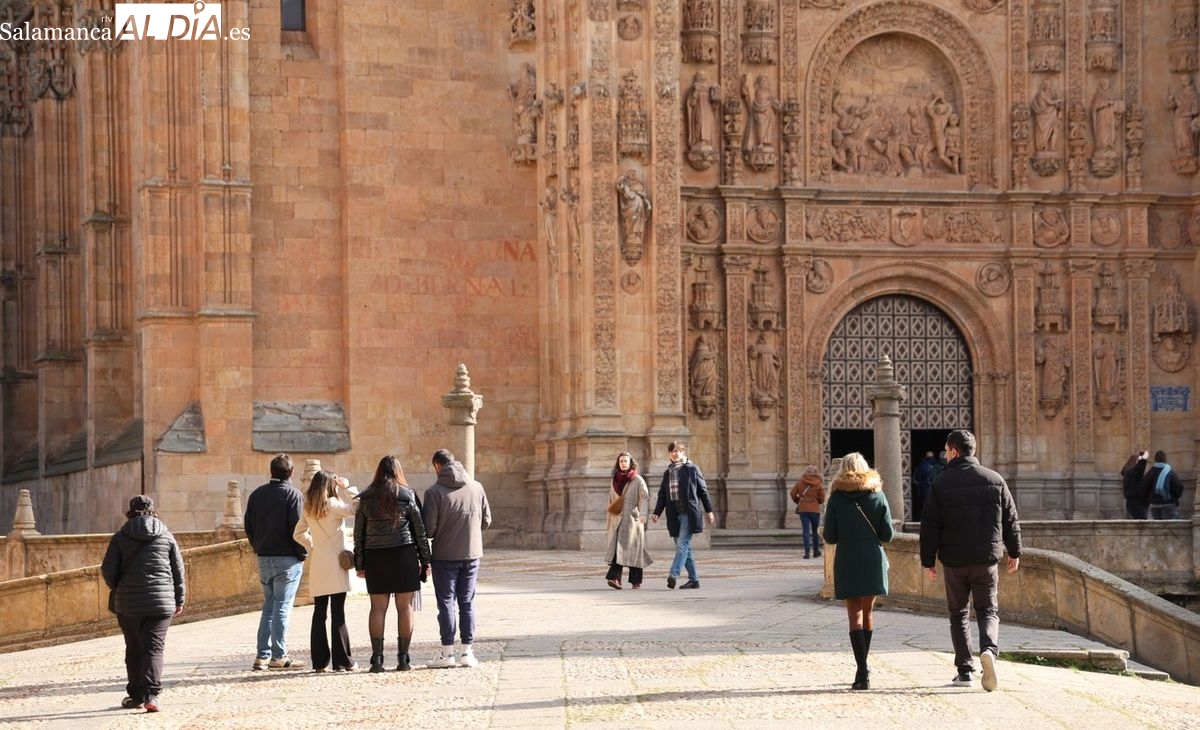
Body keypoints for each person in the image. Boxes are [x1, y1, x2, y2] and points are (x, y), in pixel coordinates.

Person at [920, 429, 1021, 693]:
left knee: (959, 614)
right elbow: (1011, 519)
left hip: (954, 561)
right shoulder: (995, 479)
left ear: (953, 451)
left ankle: (965, 669)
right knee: (988, 610)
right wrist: (1015, 551)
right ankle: (988, 649)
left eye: (946, 450)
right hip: (986, 560)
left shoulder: (941, 483)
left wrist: (927, 559)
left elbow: (930, 525)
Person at [102, 496, 185, 713]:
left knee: (134, 648)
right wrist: (179, 599)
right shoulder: (166, 536)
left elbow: (108, 572)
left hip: (128, 604)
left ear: (130, 512)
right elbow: (178, 571)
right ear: (153, 511)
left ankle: (136, 695)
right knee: (154, 648)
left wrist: (121, 587)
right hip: (161, 603)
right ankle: (152, 695)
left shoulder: (120, 537)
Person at [822, 453, 894, 691]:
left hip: (848, 560)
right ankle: (863, 668)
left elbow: (830, 536)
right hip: (872, 559)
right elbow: (887, 535)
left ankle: (862, 671)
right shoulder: (878, 495)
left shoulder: (836, 498)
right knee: (868, 612)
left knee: (854, 616)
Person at [354, 455, 431, 672]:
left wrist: (360, 563)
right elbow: (420, 533)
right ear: (398, 472)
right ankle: (403, 659)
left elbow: (359, 534)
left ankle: (377, 659)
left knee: (377, 608)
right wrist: (426, 561)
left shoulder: (366, 497)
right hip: (403, 555)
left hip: (376, 556)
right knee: (404, 607)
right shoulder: (408, 495)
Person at [423, 449, 492, 669]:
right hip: (472, 554)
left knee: (446, 603)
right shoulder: (477, 487)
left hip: (444, 556)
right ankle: (467, 652)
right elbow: (486, 520)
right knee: (467, 602)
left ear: (437, 466)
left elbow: (429, 529)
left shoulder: (434, 492)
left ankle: (447, 653)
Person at [244, 453, 307, 670]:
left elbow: (248, 526)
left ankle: (262, 655)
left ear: (271, 472)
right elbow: (297, 530)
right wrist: (303, 554)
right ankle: (279, 655)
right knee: (282, 607)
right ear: (291, 472)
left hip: (264, 557)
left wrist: (257, 546)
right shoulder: (293, 495)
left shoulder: (257, 495)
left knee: (269, 606)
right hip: (287, 559)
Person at [293, 470, 359, 672]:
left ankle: (320, 662)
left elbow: (298, 533)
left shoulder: (308, 507)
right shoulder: (332, 504)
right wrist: (346, 486)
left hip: (319, 563)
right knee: (338, 613)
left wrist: (313, 545)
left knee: (319, 613)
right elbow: (357, 507)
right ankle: (342, 662)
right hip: (337, 564)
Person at [651, 441, 714, 590]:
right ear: (669, 454)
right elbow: (662, 496)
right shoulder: (668, 473)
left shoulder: (692, 469)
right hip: (674, 515)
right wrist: (656, 513)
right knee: (685, 549)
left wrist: (709, 510)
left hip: (688, 514)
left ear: (683, 452)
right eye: (672, 451)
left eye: (678, 451)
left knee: (682, 545)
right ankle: (694, 580)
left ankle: (673, 574)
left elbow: (703, 491)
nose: (675, 453)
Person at [605, 452, 653, 589]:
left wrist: (643, 514)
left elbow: (644, 498)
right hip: (617, 521)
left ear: (630, 463)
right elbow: (610, 501)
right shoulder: (614, 480)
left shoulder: (638, 480)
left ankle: (635, 581)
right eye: (621, 461)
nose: (623, 463)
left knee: (635, 551)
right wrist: (608, 521)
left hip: (633, 520)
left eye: (625, 461)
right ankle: (615, 579)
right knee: (617, 549)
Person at [789, 464, 825, 559]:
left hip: (803, 509)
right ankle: (816, 551)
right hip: (814, 509)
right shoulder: (818, 484)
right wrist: (817, 502)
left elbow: (792, 493)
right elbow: (822, 498)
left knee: (805, 531)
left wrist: (798, 501)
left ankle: (807, 552)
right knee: (815, 531)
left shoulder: (800, 482)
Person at [1140, 450, 1184, 520]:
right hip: (1169, 503)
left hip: (1154, 504)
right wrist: (1174, 498)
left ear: (1155, 459)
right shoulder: (1169, 471)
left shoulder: (1151, 472)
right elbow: (1178, 487)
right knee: (1169, 528)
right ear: (1165, 459)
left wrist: (1149, 499)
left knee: (1157, 528)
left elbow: (1144, 488)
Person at [1120, 451, 1150, 519]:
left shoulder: (1127, 472)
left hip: (1131, 502)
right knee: (1142, 524)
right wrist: (1143, 457)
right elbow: (1141, 466)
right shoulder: (1134, 472)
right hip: (1137, 502)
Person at [913, 451, 939, 520]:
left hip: (924, 491)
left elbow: (918, 478)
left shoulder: (921, 466)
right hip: (936, 491)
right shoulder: (938, 466)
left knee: (924, 507)